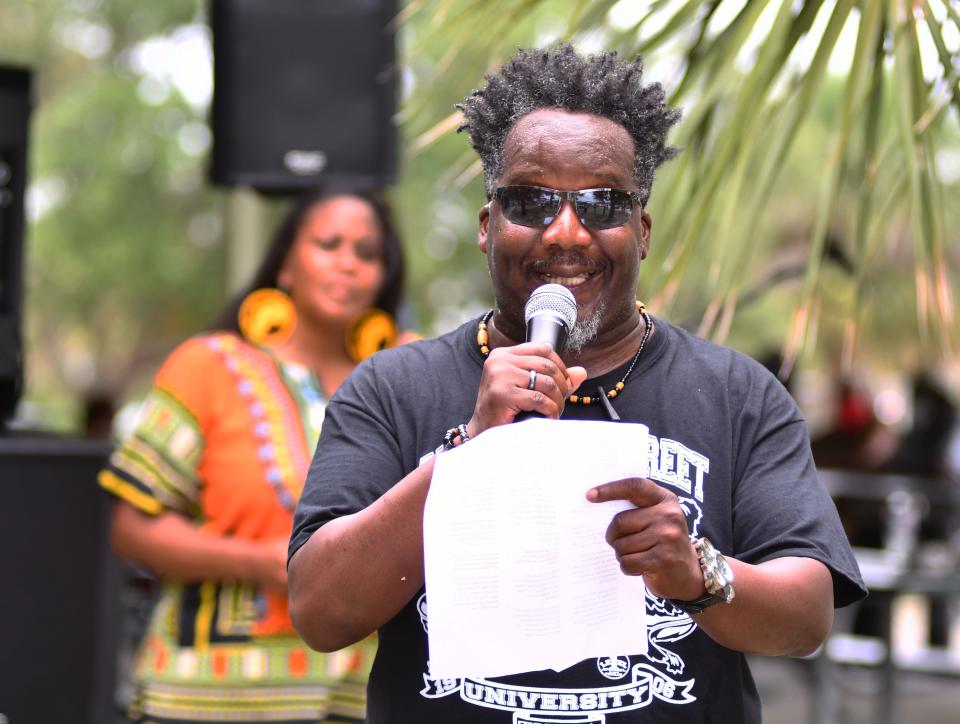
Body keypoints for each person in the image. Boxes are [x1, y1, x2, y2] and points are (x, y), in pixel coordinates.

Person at [288, 45, 866, 723]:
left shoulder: (739, 394)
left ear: (641, 231)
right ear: (487, 225)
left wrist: (698, 573)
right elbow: (320, 613)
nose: (565, 232)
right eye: (530, 201)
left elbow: (805, 617)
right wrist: (469, 453)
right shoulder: (391, 388)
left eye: (601, 203)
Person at [98, 184, 406, 723]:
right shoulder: (209, 366)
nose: (348, 264)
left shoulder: (401, 380)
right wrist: (258, 561)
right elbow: (132, 527)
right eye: (328, 244)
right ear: (284, 263)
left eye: (367, 253)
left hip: (358, 692)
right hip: (205, 695)